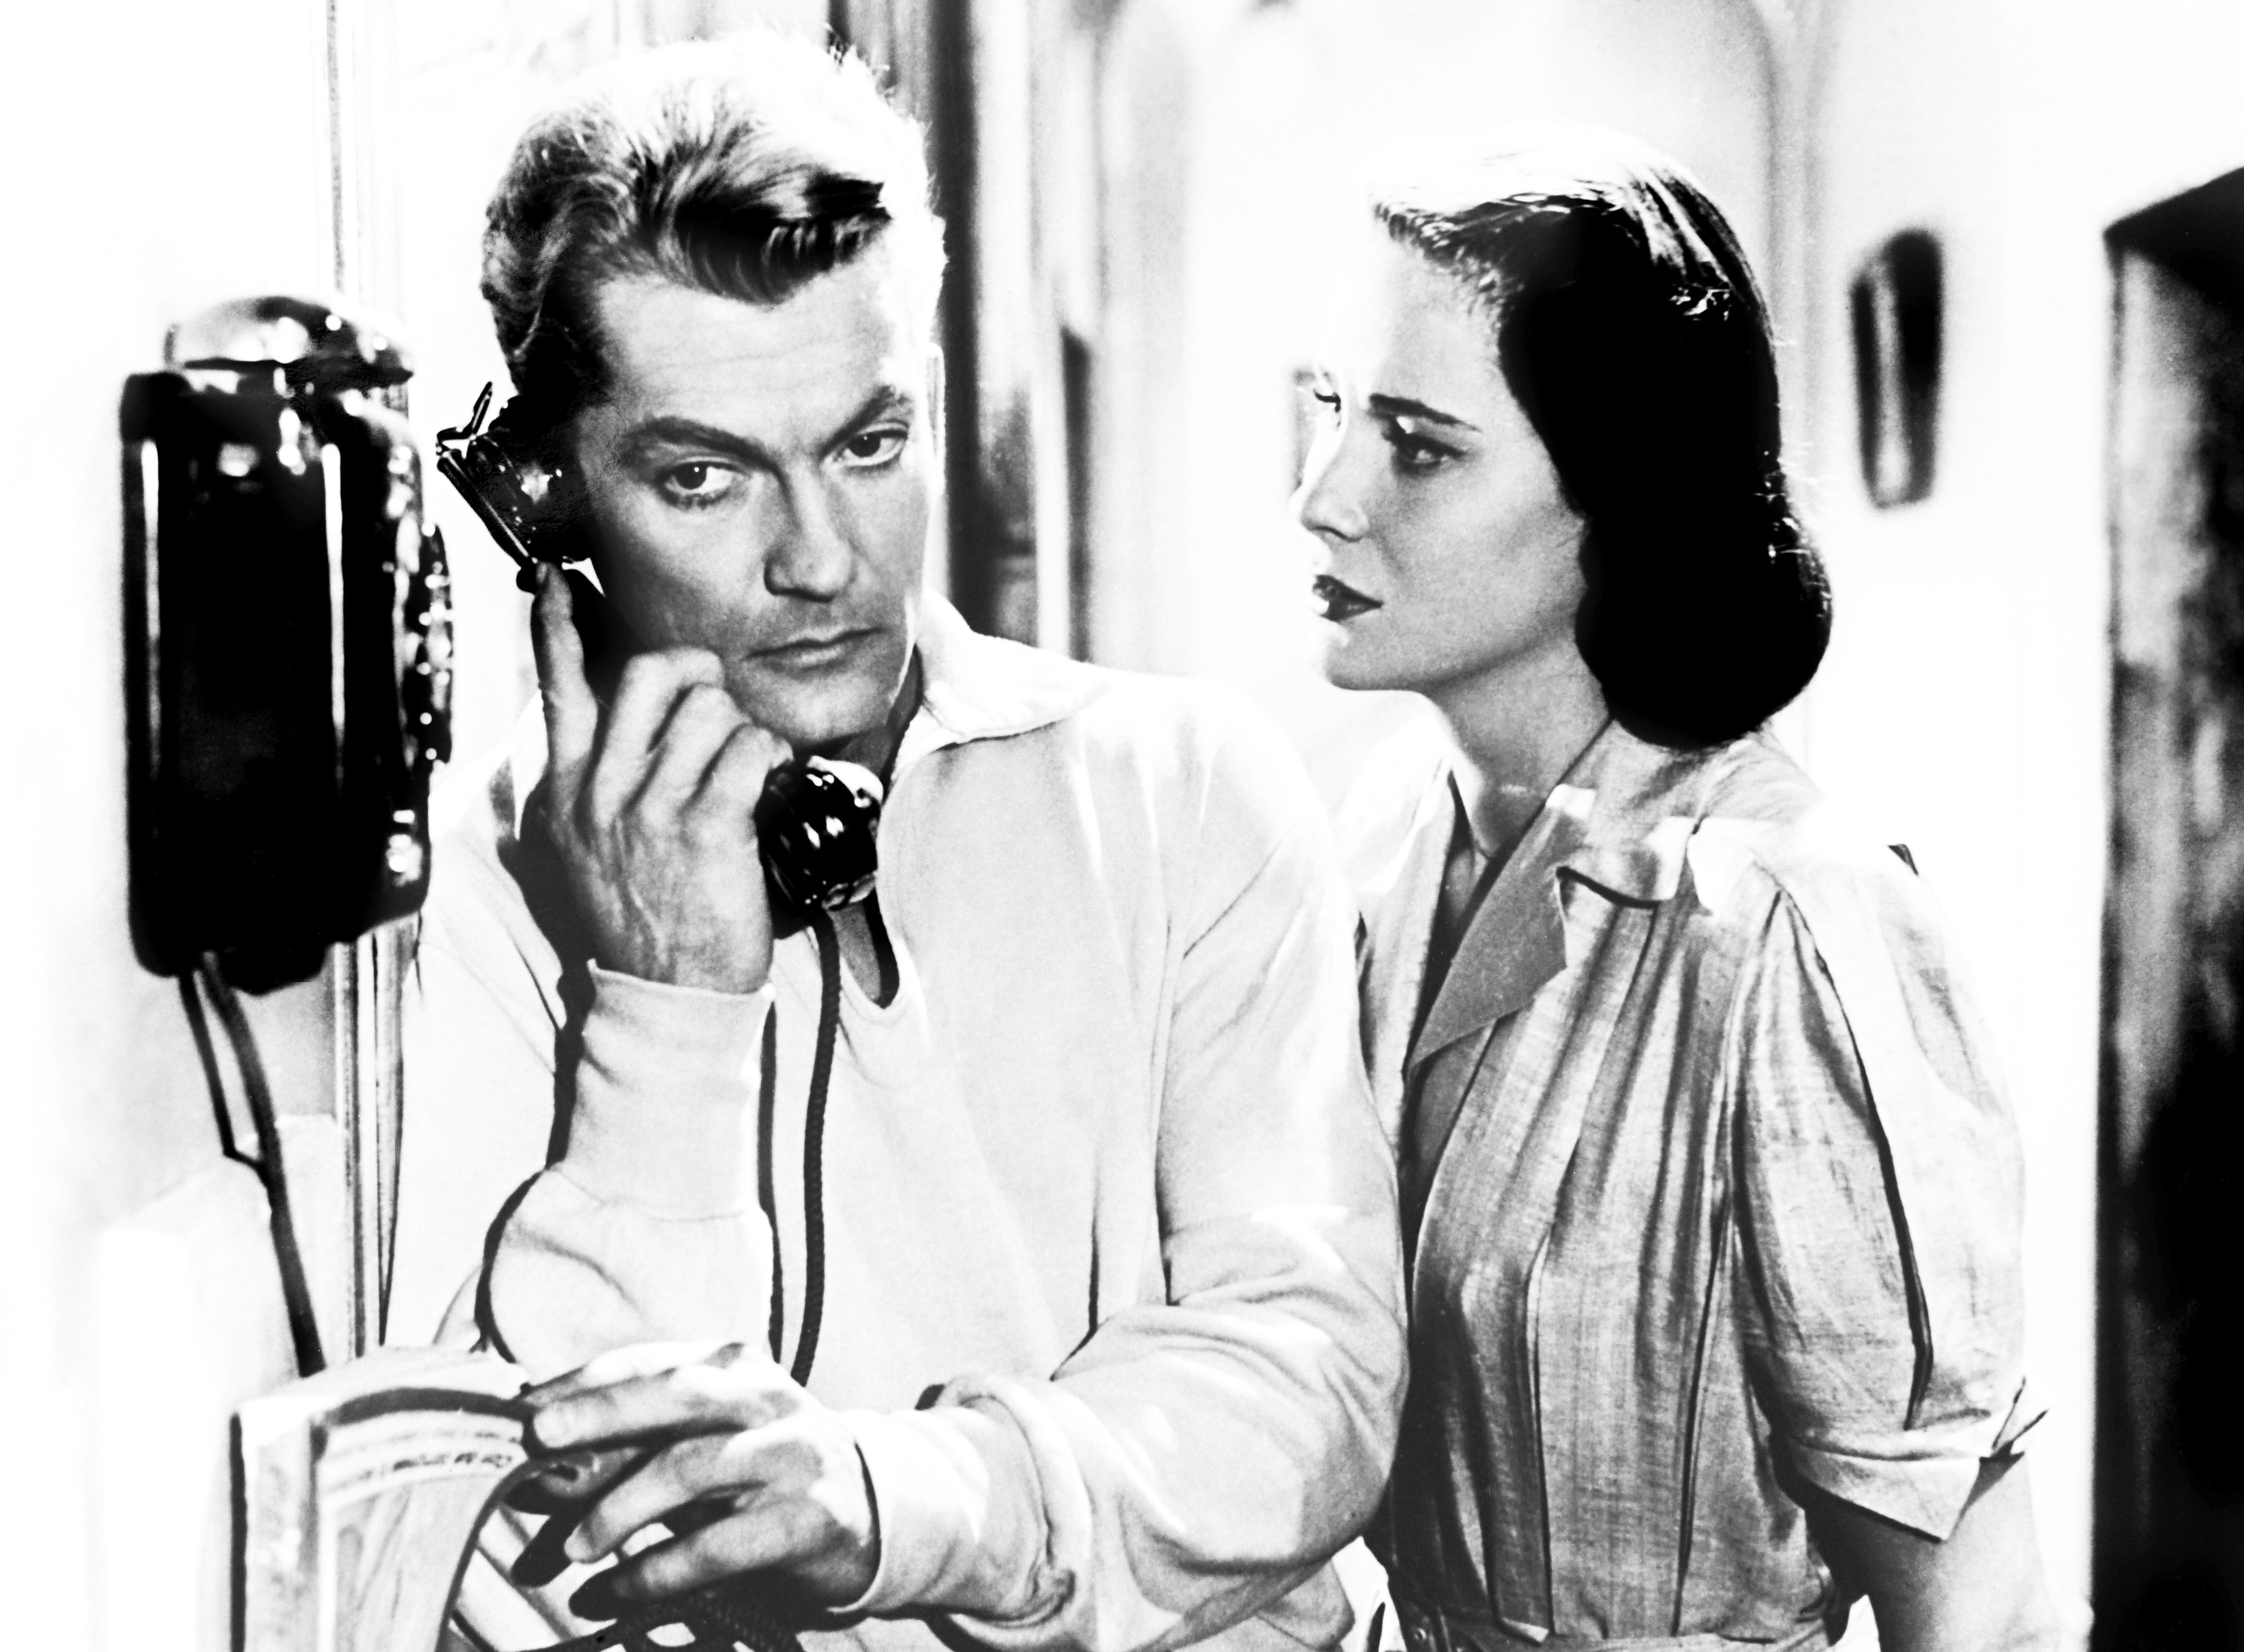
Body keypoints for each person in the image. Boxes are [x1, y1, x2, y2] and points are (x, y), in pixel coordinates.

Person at [388, 31, 1405, 1652]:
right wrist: (664, 1010)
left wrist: (900, 1503)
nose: (820, 561)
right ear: (548, 502)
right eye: (704, 478)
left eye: (869, 446)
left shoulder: (1187, 787)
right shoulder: (480, 893)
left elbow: (1308, 1381)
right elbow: (528, 1576)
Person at [1295, 129, 2056, 1652]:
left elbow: (1981, 1616)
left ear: (1617, 500)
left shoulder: (1790, 931)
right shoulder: (1380, 839)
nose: (1324, 497)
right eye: (1333, 414)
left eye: (1419, 446)